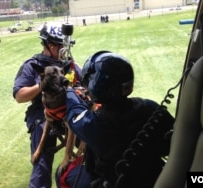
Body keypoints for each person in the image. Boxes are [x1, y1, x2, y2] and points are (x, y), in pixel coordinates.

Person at [62, 51, 175, 187]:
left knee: (63, 174)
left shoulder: (94, 124)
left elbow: (75, 113)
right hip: (156, 179)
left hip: (115, 183)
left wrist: (68, 89)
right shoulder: (149, 107)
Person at [13, 22, 81, 188]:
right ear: (51, 45)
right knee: (43, 154)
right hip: (42, 113)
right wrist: (43, 83)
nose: (65, 50)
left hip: (69, 110)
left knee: (94, 136)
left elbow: (85, 82)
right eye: (61, 47)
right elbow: (19, 96)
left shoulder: (68, 63)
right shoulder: (32, 65)